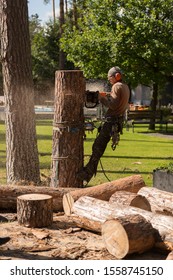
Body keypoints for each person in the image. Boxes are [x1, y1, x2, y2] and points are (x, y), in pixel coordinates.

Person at [77, 66, 130, 184]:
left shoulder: (117, 86)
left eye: (110, 77)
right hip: (116, 121)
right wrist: (106, 95)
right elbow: (116, 100)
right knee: (99, 146)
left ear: (117, 76)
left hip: (111, 121)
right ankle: (89, 172)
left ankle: (87, 173)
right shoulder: (125, 86)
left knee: (98, 147)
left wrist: (101, 98)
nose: (109, 80)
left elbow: (113, 105)